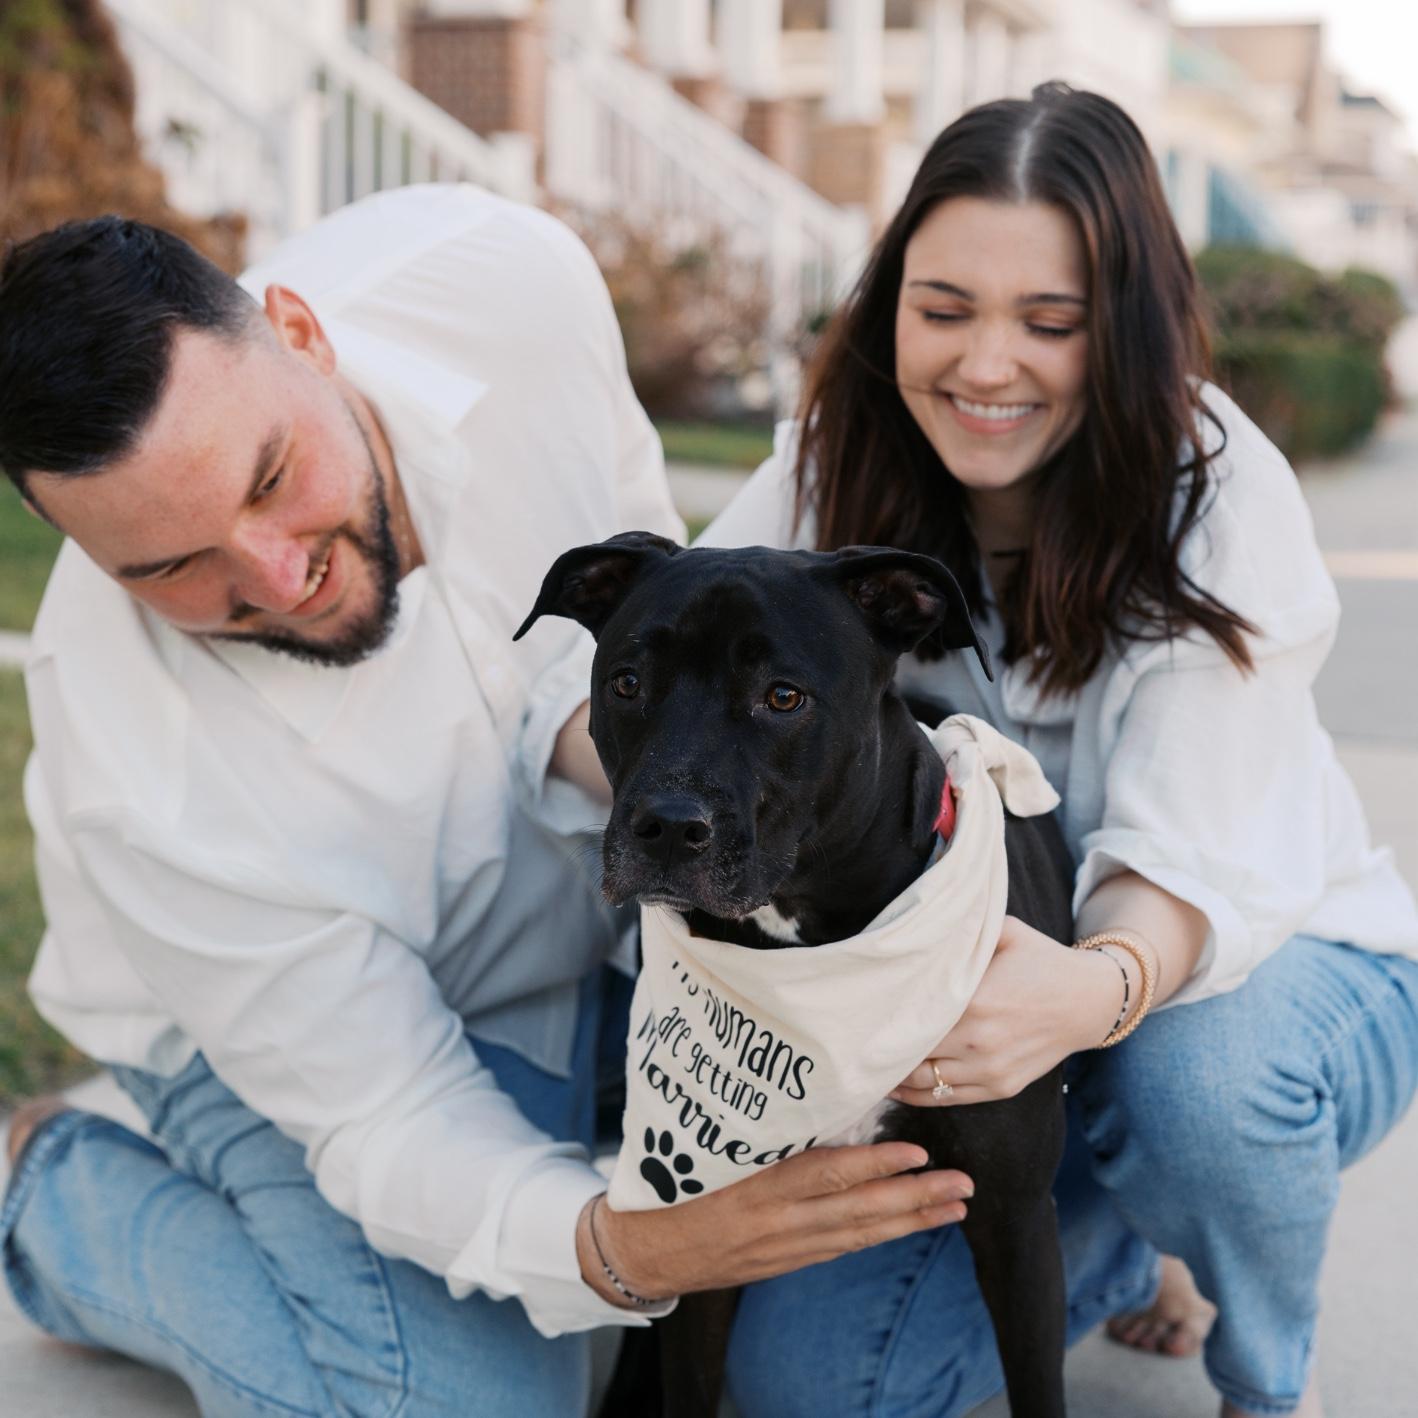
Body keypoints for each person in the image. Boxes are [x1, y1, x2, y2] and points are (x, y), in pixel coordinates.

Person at [0, 186, 973, 1417]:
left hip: (607, 947)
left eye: (270, 477)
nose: (276, 576)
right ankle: (56, 1200)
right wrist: (630, 1249)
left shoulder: (507, 276)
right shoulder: (142, 778)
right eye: (172, 565)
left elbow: (650, 600)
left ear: (299, 331)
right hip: (287, 1034)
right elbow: (387, 1113)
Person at [698, 83, 1418, 1418]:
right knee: (812, 1386)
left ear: (1125, 330)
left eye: (1049, 322)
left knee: (1193, 1084)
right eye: (943, 309)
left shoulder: (1215, 491)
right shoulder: (828, 468)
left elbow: (1176, 867)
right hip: (994, 1032)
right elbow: (642, 676)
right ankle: (1123, 1225)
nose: (985, 366)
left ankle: (1264, 1369)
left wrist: (1091, 992)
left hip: (1257, 983)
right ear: (889, 305)